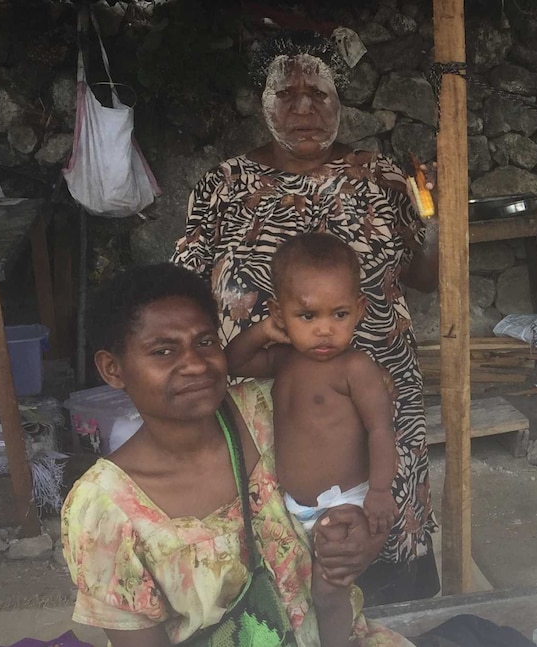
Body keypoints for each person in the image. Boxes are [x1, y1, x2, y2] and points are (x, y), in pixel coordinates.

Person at [172, 29, 440, 604]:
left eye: (318, 94)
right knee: (279, 568)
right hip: (266, 408)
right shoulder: (224, 186)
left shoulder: (381, 179)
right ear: (262, 103)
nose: (303, 108)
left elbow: (425, 278)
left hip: (377, 402)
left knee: (385, 564)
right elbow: (185, 287)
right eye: (287, 93)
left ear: (339, 101)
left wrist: (438, 218)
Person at [60, 264, 411, 647]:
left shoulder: (274, 412)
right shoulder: (104, 510)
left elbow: (359, 498)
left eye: (206, 342)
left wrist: (356, 544)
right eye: (163, 351)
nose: (195, 363)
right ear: (113, 369)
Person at [225, 233, 399, 646]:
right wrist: (264, 332)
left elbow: (381, 429)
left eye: (339, 315)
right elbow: (233, 362)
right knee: (293, 588)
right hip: (289, 509)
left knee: (328, 587)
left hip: (343, 501)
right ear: (279, 313)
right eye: (307, 316)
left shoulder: (356, 369)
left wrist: (379, 490)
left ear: (358, 311)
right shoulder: (284, 361)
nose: (324, 330)